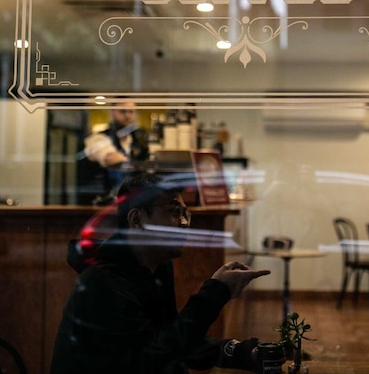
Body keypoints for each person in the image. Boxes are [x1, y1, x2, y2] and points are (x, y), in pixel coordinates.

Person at [51, 171, 270, 374]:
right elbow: (151, 359)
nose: (184, 223)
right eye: (174, 212)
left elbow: (170, 340)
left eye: (186, 214)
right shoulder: (104, 280)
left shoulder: (157, 266)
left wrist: (239, 352)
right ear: (137, 219)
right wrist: (215, 293)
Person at [80, 102, 149, 200]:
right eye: (122, 111)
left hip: (132, 201)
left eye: (131, 112)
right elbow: (111, 159)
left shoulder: (139, 142)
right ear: (111, 113)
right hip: (102, 202)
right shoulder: (98, 138)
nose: (127, 116)